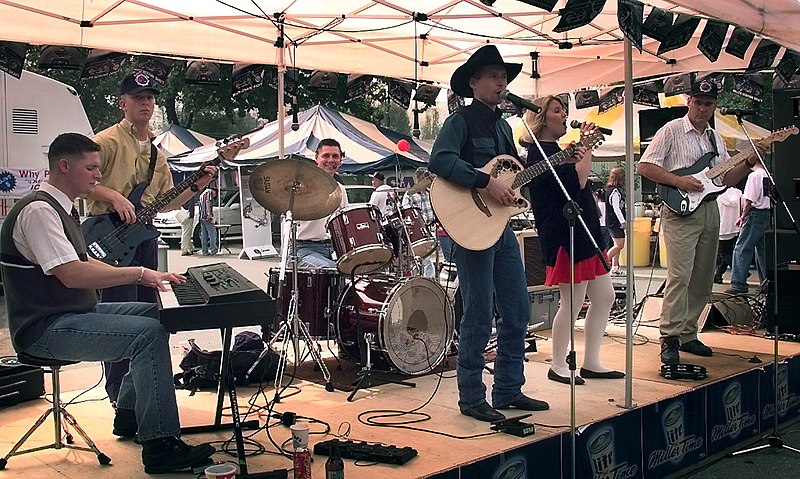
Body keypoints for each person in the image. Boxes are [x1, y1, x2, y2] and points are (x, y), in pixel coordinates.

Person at [1, 133, 214, 474]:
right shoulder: (39, 211)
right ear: (64, 166)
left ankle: (130, 415)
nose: (98, 176)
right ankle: (160, 445)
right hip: (45, 329)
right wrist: (138, 273)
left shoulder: (60, 208)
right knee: (145, 334)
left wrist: (147, 276)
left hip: (69, 315)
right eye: (91, 168)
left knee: (156, 315)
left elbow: (85, 260)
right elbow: (72, 274)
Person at [428, 44, 549, 423]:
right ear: (474, 82)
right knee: (479, 314)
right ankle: (471, 396)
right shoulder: (460, 121)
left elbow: (510, 176)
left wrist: (557, 161)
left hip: (500, 227)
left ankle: (509, 390)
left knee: (518, 310)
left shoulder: (503, 125)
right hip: (471, 229)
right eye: (494, 76)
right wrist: (484, 182)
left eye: (504, 76)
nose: (502, 82)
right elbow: (441, 161)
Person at [86, 72, 216, 404]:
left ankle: (141, 388)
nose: (145, 102)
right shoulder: (106, 141)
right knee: (117, 314)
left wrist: (197, 184)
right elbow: (82, 183)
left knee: (146, 312)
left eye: (150, 97)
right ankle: (117, 392)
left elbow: (166, 200)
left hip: (142, 237)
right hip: (109, 233)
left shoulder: (157, 151)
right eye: (138, 97)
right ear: (123, 103)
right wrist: (115, 197)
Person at [637, 79, 762, 365]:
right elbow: (644, 166)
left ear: (714, 106)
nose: (703, 109)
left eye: (708, 104)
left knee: (704, 276)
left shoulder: (715, 139)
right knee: (680, 275)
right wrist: (678, 180)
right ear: (689, 102)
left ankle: (688, 333)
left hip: (709, 209)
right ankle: (669, 336)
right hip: (680, 211)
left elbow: (724, 180)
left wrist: (746, 163)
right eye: (698, 102)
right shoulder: (671, 130)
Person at [521, 95, 623, 386]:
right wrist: (587, 147)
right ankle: (557, 363)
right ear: (541, 118)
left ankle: (591, 361)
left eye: (564, 109)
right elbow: (575, 183)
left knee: (604, 297)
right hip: (567, 235)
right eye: (557, 110)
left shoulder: (557, 151)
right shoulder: (540, 154)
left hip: (586, 232)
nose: (564, 114)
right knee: (573, 302)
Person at [290, 138, 349, 269]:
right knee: (331, 269)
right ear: (317, 158)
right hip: (303, 248)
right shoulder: (301, 186)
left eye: (335, 156)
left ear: (340, 160)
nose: (330, 160)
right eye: (326, 156)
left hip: (334, 248)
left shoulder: (340, 189)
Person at [728, 161, 772, 293]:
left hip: (754, 214)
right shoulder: (768, 175)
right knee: (762, 252)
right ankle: (766, 283)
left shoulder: (754, 176)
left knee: (742, 248)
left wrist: (742, 215)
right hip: (766, 214)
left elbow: (749, 200)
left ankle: (738, 284)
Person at [402, 166, 435, 278]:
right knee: (423, 260)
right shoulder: (410, 194)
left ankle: (423, 280)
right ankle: (425, 281)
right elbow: (405, 214)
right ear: (420, 179)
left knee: (426, 259)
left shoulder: (430, 192)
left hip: (431, 230)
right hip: (418, 232)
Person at [714, 187, 742, 284]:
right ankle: (718, 275)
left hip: (722, 226)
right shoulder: (738, 193)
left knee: (724, 254)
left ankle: (740, 271)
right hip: (734, 226)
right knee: (727, 253)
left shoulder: (719, 193)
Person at [605, 167, 626, 275]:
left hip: (611, 221)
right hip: (615, 222)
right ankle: (604, 262)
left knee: (616, 244)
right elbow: (616, 208)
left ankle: (615, 266)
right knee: (619, 244)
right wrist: (623, 221)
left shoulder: (609, 190)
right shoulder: (614, 191)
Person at [197, 186, 218, 255]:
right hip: (207, 216)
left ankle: (204, 250)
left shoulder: (202, 194)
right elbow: (207, 202)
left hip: (202, 216)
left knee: (204, 234)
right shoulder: (209, 192)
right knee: (212, 233)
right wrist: (209, 213)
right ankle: (213, 249)